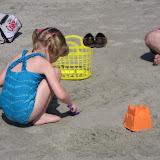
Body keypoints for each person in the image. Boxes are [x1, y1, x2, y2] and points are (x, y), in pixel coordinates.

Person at [0, 27, 77, 125]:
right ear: (51, 49)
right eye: (57, 55)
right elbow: (61, 95)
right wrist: (71, 103)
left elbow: (1, 81)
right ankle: (40, 116)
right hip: (23, 115)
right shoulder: (44, 64)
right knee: (56, 72)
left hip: (6, 112)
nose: (56, 59)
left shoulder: (20, 55)